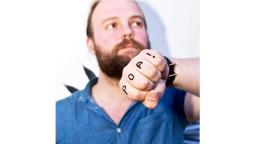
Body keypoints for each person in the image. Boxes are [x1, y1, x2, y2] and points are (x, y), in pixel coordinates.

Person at [56, 0, 200, 143]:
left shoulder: (176, 97)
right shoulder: (58, 116)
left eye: (137, 23)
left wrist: (169, 68)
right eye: (112, 25)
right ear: (91, 44)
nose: (128, 32)